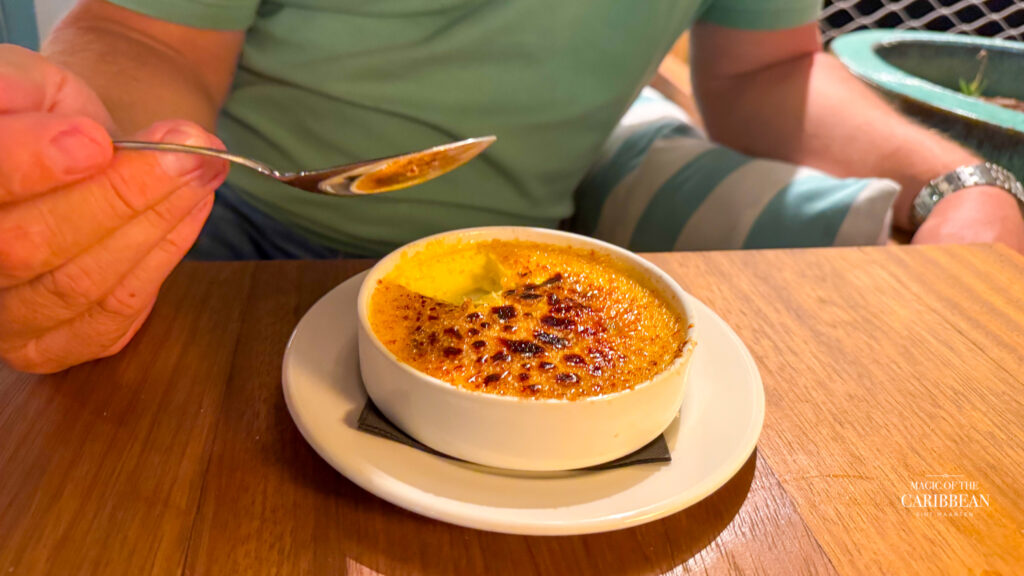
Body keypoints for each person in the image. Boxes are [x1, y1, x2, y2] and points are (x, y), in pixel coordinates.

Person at [1, 0, 1022, 374]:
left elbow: (765, 69)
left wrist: (956, 183)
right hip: (227, 231)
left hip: (524, 276)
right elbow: (146, 35)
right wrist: (89, 167)